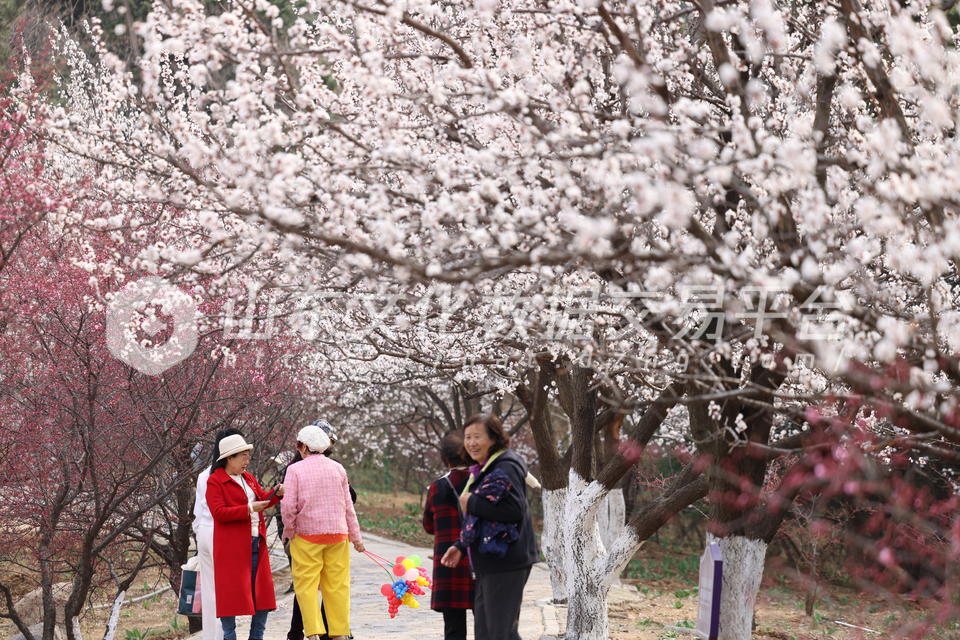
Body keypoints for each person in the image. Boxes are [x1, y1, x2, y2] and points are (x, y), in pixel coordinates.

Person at [441, 415, 538, 640]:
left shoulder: (505, 466)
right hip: (489, 561)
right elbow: (481, 519)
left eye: (477, 437)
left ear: (493, 438)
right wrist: (460, 545)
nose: (472, 443)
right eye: (468, 437)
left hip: (507, 561)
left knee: (498, 633)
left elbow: (514, 511)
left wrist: (472, 502)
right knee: (488, 632)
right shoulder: (484, 468)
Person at [281, 423, 364, 640]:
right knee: (337, 586)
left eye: (300, 445)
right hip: (338, 536)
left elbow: (288, 506)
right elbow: (348, 506)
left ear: (304, 447)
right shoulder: (338, 468)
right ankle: (339, 633)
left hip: (307, 536)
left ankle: (314, 633)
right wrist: (357, 538)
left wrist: (289, 531)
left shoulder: (294, 470)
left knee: (306, 585)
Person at [206, 433, 283, 640]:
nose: (247, 461)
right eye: (243, 456)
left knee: (262, 594)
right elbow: (219, 513)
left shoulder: (248, 478)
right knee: (231, 597)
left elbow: (263, 501)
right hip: (231, 548)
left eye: (248, 456)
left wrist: (277, 493)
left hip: (257, 542)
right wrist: (248, 508)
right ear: (229, 458)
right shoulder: (215, 481)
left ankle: (256, 637)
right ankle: (229, 637)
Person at [423, 431, 474, 640]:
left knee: (453, 627)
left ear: (445, 459)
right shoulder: (479, 481)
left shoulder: (437, 487)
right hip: (476, 561)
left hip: (448, 561)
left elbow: (428, 525)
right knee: (486, 623)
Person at [193, 429, 243, 640]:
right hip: (220, 533)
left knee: (210, 590)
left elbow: (197, 511)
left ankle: (211, 636)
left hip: (203, 532)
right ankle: (224, 635)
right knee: (224, 591)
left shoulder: (204, 475)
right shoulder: (226, 477)